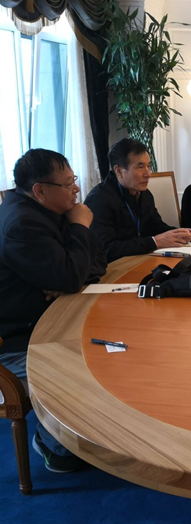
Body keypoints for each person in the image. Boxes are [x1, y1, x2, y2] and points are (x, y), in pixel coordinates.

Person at [0, 149, 107, 473]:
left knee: (116, 342)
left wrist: (70, 275)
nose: (77, 189)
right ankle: (53, 443)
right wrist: (81, 229)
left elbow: (97, 264)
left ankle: (87, 428)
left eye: (74, 179)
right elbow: (72, 275)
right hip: (17, 340)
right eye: (68, 183)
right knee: (86, 365)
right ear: (40, 191)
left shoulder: (49, 210)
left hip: (47, 318)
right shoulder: (22, 223)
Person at [85, 138, 191, 263]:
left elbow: (156, 227)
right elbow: (107, 250)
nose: (148, 174)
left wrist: (179, 233)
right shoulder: (98, 200)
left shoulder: (144, 194)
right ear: (119, 171)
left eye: (149, 166)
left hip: (142, 260)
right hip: (115, 269)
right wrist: (154, 242)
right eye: (140, 167)